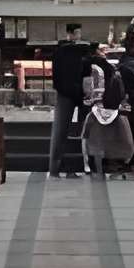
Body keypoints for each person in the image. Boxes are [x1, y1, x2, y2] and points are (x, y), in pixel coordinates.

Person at [82, 44, 134, 177]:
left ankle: (92, 165)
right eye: (101, 49)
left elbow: (87, 88)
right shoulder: (108, 66)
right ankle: (115, 163)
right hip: (111, 105)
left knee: (93, 137)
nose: (104, 52)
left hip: (95, 107)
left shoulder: (89, 65)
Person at [48, 22, 92, 178]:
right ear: (72, 34)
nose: (79, 36)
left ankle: (56, 168)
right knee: (75, 132)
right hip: (75, 93)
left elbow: (55, 75)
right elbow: (87, 73)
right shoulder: (81, 51)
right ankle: (71, 168)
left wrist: (61, 88)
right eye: (77, 33)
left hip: (66, 93)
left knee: (61, 131)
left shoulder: (60, 51)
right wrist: (86, 91)